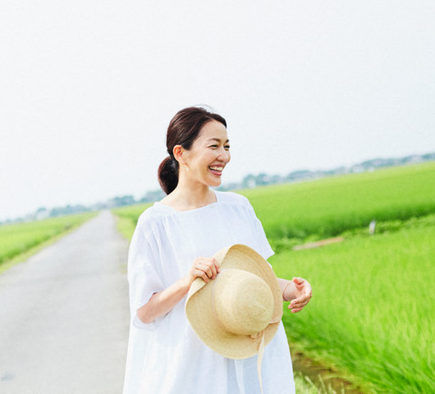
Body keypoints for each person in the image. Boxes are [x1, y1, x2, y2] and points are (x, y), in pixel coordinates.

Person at [123, 106, 312, 394]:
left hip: (249, 355)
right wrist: (188, 281)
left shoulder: (238, 207)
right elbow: (144, 313)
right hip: (193, 367)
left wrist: (291, 290)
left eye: (227, 146)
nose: (224, 156)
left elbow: (257, 279)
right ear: (180, 153)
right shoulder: (155, 224)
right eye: (214, 146)